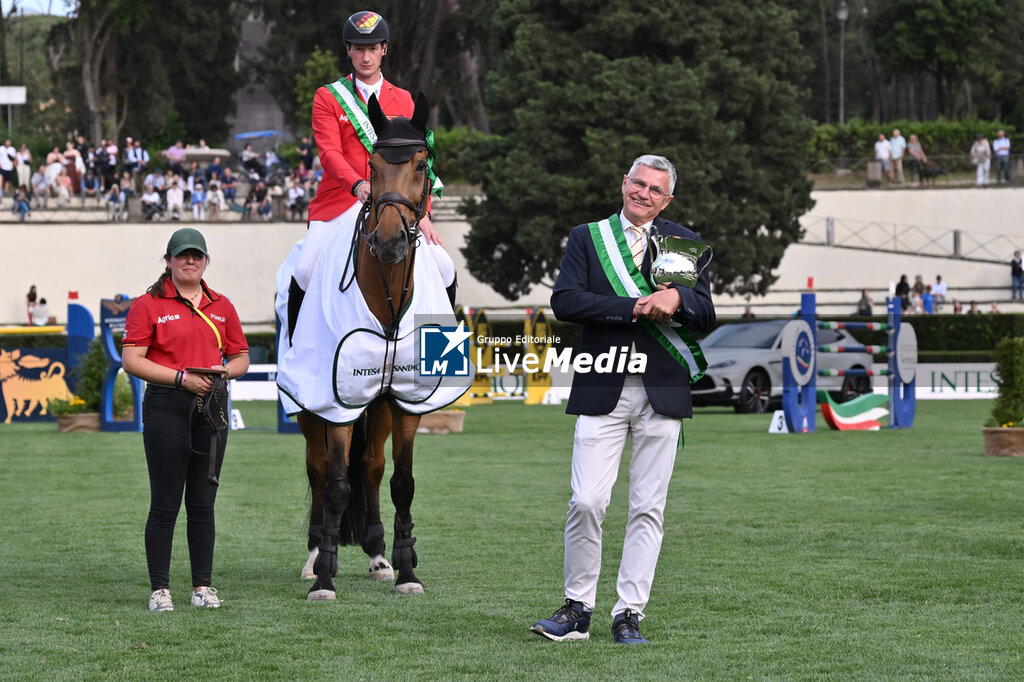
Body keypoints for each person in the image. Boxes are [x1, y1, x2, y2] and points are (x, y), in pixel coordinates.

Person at [530, 155, 715, 645]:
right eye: (639, 183)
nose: (644, 194)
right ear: (623, 183)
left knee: (647, 508)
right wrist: (634, 306)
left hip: (664, 389)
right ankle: (576, 609)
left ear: (667, 199)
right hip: (602, 383)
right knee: (587, 500)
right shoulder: (587, 237)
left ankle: (628, 613)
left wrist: (679, 299)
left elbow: (706, 313)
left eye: (656, 190)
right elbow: (565, 301)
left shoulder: (684, 243)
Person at [287, 10, 453, 339]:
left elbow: (422, 163)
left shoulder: (404, 99)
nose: (366, 56)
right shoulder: (329, 97)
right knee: (305, 270)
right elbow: (329, 153)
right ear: (348, 50)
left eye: (373, 48)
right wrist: (358, 184)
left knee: (444, 266)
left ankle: (442, 361)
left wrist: (425, 213)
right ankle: (296, 348)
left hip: (397, 202)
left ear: (384, 50)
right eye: (359, 49)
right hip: (341, 199)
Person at [122, 227, 249, 612]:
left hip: (210, 407)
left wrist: (222, 373)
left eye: (196, 255)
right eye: (182, 255)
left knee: (203, 503)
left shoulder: (222, 304)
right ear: (169, 261)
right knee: (164, 504)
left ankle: (202, 588)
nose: (189, 261)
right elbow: (132, 360)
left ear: (206, 261)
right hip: (166, 405)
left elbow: (241, 357)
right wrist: (181, 378)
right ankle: (160, 589)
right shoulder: (149, 305)